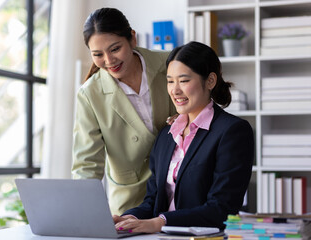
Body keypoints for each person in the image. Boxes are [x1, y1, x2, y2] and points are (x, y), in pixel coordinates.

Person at [113, 41, 254, 233]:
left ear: (210, 81)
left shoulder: (232, 132)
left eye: (184, 80)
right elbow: (153, 201)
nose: (175, 90)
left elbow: (221, 209)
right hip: (160, 237)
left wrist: (160, 222)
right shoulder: (167, 134)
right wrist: (130, 217)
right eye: (170, 81)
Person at [72, 7, 176, 215]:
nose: (109, 61)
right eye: (98, 54)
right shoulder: (90, 94)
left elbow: (200, 113)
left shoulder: (170, 64)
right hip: (131, 202)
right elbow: (87, 165)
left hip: (178, 191)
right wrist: (86, 215)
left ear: (132, 39)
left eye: (115, 49)